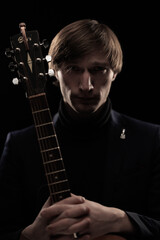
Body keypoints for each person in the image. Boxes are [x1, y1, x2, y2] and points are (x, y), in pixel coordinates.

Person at [0, 19, 160, 240]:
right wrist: (29, 235)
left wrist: (120, 219)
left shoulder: (150, 139)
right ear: (53, 71)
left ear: (114, 72)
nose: (86, 85)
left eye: (98, 69)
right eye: (73, 69)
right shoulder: (19, 145)